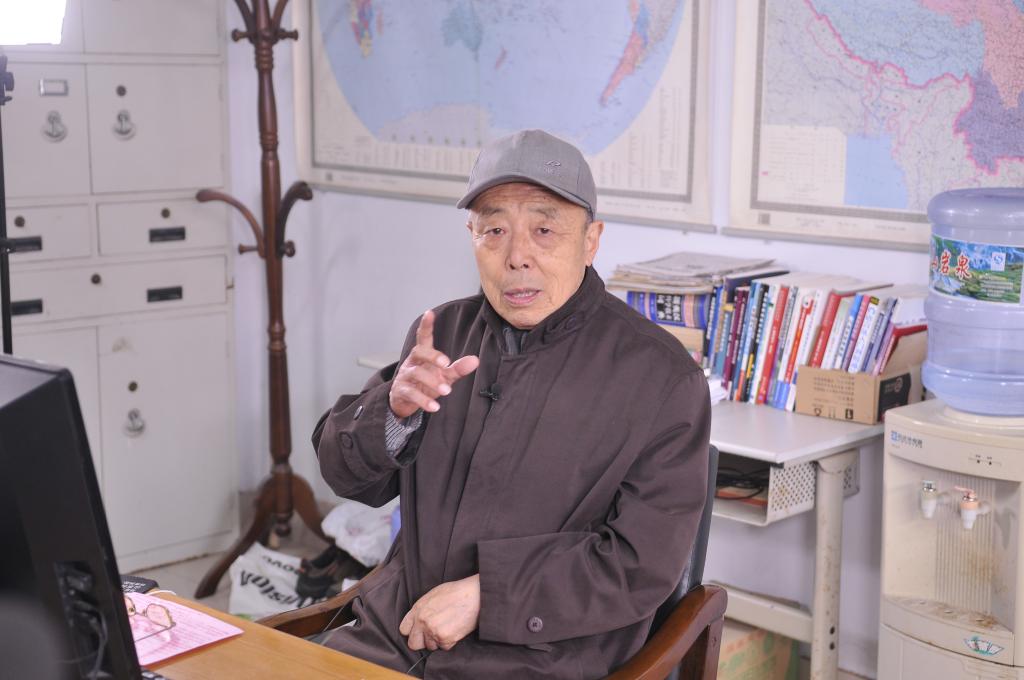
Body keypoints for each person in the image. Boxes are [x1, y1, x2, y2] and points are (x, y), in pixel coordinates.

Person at [313, 129, 711, 679]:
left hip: (541, 659)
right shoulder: (443, 332)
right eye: (494, 230)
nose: (517, 257)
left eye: (544, 230)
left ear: (591, 240)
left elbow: (638, 566)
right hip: (395, 633)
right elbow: (343, 473)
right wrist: (391, 414)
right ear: (472, 236)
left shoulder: (661, 377)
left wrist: (488, 596)